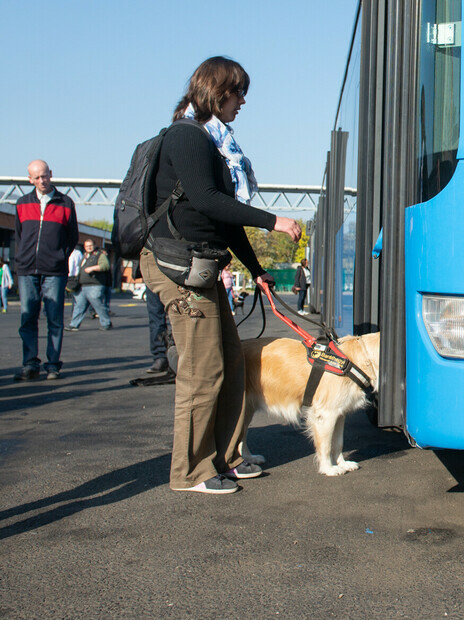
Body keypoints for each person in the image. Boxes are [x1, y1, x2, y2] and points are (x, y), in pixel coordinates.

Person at [139, 56, 302, 495]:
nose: (243, 101)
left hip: (203, 265)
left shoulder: (213, 143)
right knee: (203, 370)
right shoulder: (187, 137)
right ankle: (191, 472)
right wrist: (273, 221)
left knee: (230, 363)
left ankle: (226, 457)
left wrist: (258, 270)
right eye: (237, 92)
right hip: (177, 268)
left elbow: (224, 222)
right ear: (217, 91)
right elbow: (210, 201)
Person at [14, 160, 78, 381]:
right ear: (30, 179)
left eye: (45, 176)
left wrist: (59, 256)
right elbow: (19, 235)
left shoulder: (66, 203)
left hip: (54, 270)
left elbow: (72, 237)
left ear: (51, 174)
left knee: (54, 319)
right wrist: (22, 258)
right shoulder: (22, 203)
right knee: (28, 317)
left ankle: (53, 365)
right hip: (26, 269)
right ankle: (30, 363)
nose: (42, 181)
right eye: (37, 177)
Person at [65, 239, 113, 331]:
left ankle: (106, 323)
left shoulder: (100, 255)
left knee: (97, 303)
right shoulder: (84, 256)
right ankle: (74, 325)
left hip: (95, 285)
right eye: (87, 246)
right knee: (79, 305)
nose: (89, 247)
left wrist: (92, 268)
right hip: (82, 285)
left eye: (90, 245)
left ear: (94, 245)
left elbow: (105, 265)